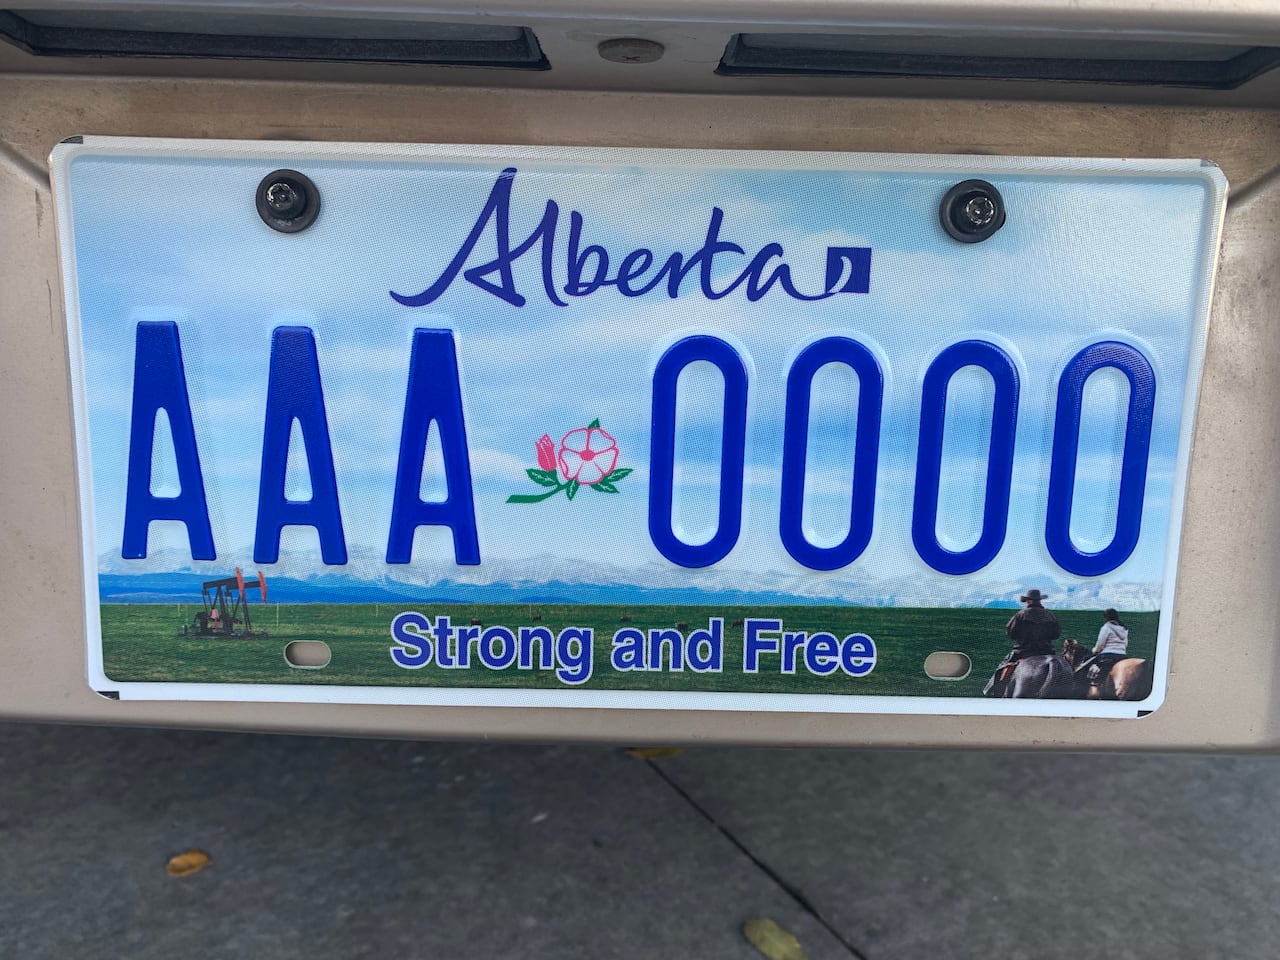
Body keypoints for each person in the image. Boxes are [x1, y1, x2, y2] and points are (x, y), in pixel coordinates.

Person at [983, 589, 1061, 696]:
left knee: (1003, 667)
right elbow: (1056, 635)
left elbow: (1011, 633)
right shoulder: (1051, 616)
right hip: (1047, 652)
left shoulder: (1020, 615)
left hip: (1024, 652)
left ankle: (995, 691)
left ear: (1028, 601)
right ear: (1039, 600)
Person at [1088, 608, 1129, 689]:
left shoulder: (1106, 627)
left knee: (1092, 664)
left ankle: (1094, 683)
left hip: (1108, 655)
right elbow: (1125, 644)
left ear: (1106, 617)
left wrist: (1095, 651)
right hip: (1122, 655)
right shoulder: (1124, 629)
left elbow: (1100, 644)